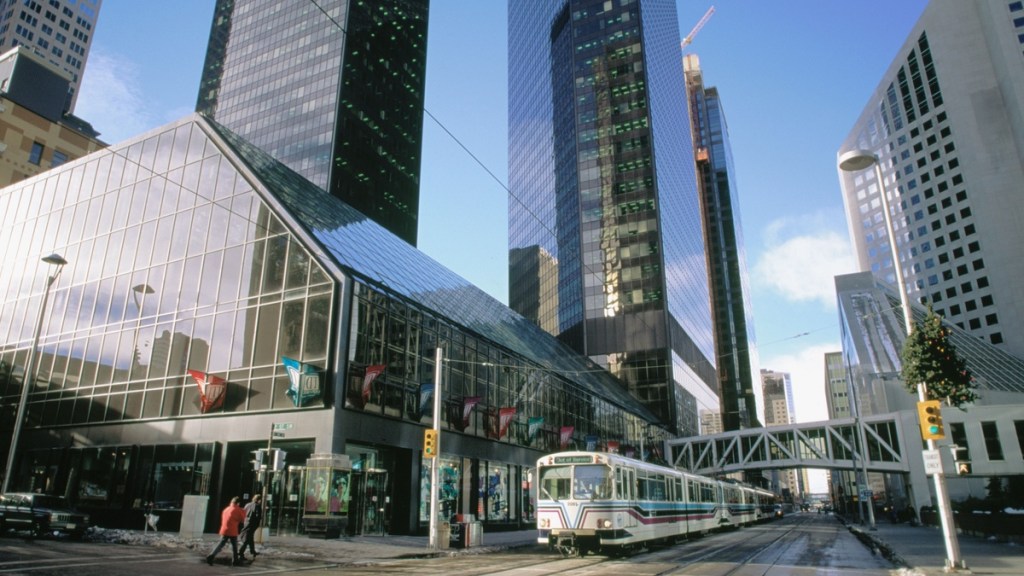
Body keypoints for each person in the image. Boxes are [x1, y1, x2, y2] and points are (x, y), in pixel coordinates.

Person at [206, 496, 246, 566]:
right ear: (238, 503)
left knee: (220, 544)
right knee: (234, 546)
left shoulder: (226, 509)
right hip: (232, 530)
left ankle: (212, 555)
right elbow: (242, 519)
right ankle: (235, 560)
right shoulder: (237, 510)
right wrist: (243, 511)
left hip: (224, 529)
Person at [238, 494, 263, 563]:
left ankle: (252, 551)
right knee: (247, 539)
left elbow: (243, 512)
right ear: (259, 500)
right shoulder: (257, 506)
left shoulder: (247, 504)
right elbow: (258, 516)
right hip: (252, 524)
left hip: (246, 522)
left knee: (250, 537)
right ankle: (240, 553)